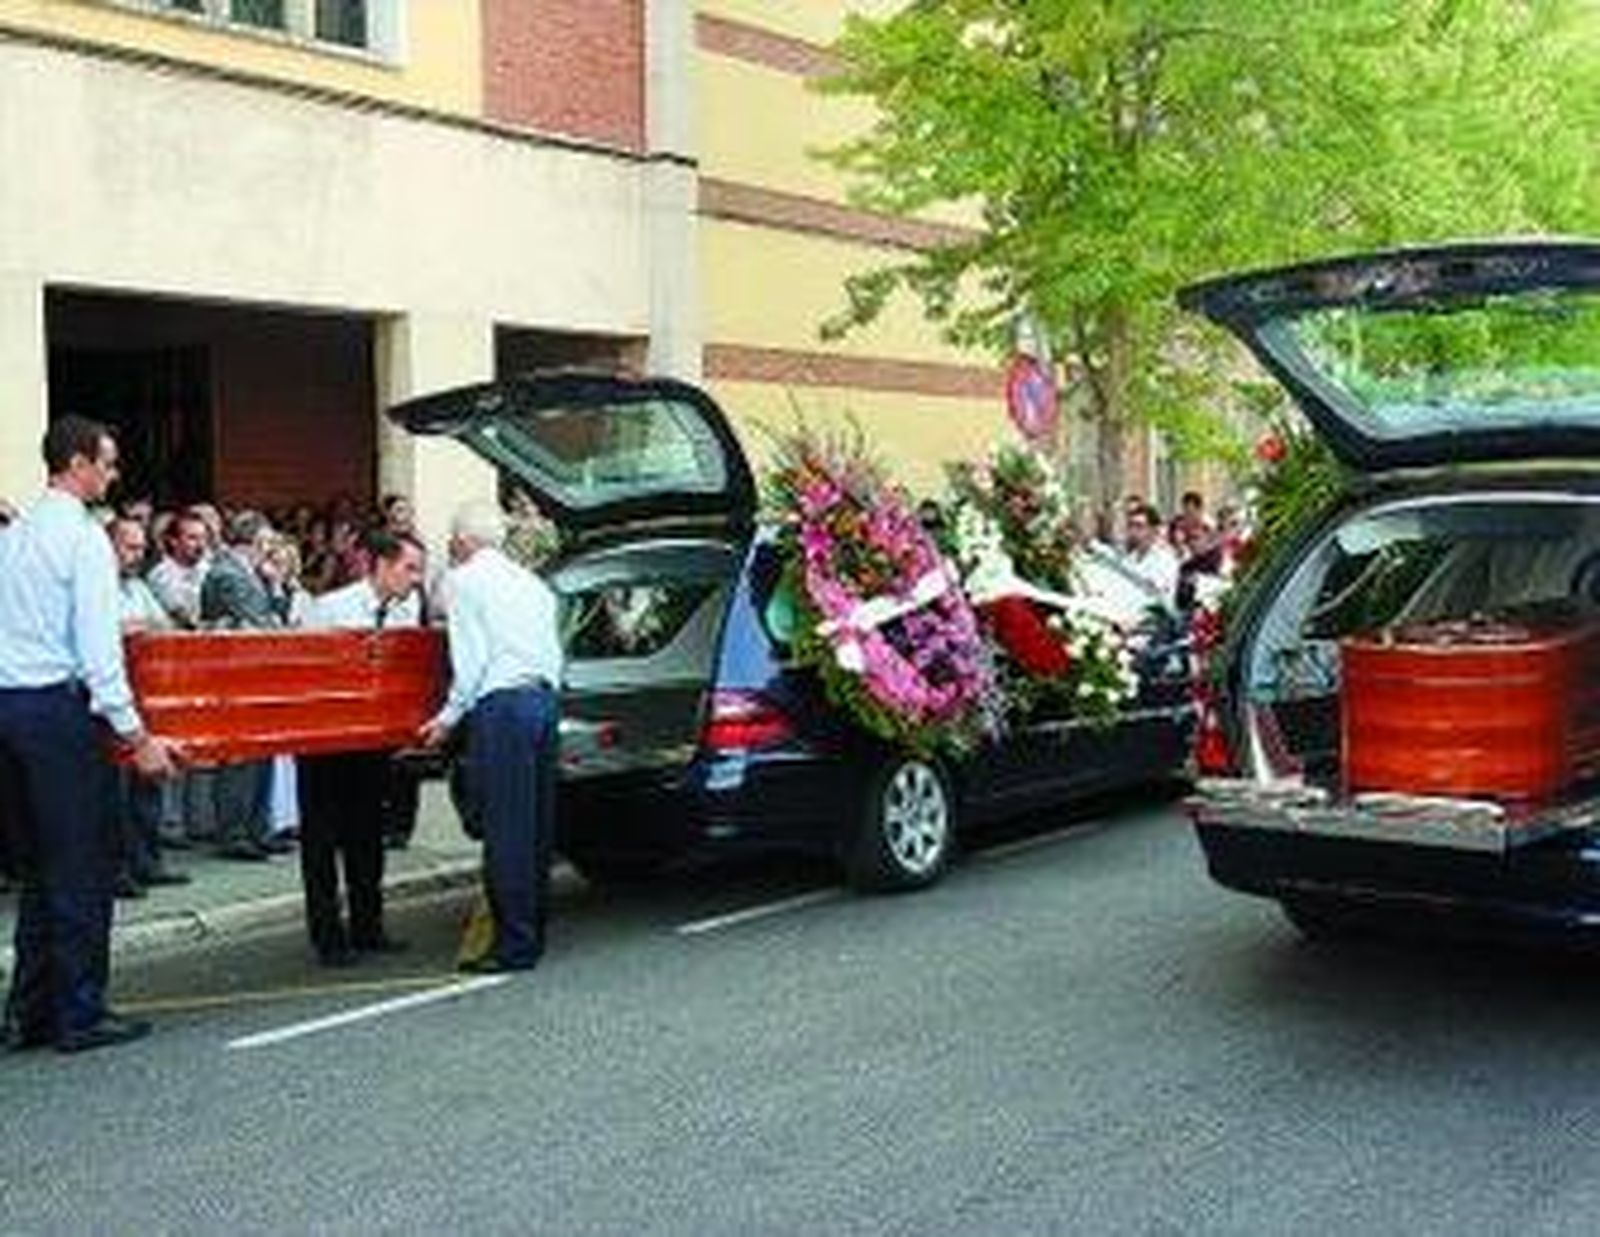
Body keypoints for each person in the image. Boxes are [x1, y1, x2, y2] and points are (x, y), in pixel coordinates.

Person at [0, 415, 178, 1053]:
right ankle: (79, 1012)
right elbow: (99, 657)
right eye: (107, 462)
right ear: (77, 463)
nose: (113, 472)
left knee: (41, 872)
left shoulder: (15, 536)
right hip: (59, 713)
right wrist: (138, 737)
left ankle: (29, 1011)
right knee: (80, 866)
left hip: (10, 709)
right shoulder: (82, 542)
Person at [420, 500, 563, 974]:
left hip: (502, 704)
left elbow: (471, 658)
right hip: (543, 700)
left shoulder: (464, 581)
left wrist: (447, 717)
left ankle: (513, 945)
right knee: (535, 825)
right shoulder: (533, 583)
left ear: (462, 541)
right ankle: (532, 931)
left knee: (506, 830)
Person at [297, 529, 427, 966]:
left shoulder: (406, 610)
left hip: (372, 741)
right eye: (409, 568)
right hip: (325, 741)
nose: (416, 579)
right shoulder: (331, 608)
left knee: (367, 836)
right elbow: (308, 671)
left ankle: (368, 927)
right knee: (322, 840)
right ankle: (328, 937)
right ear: (381, 565)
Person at [107, 517, 190, 897]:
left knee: (148, 788)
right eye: (129, 547)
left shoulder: (138, 586)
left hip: (146, 698)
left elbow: (163, 627)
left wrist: (140, 626)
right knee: (117, 794)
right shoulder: (97, 586)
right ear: (110, 546)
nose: (136, 556)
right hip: (110, 703)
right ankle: (117, 869)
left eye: (141, 548)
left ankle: (147, 862)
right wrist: (134, 627)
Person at [200, 509, 282, 861]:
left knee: (261, 754)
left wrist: (276, 586)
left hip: (255, 674)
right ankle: (234, 832)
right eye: (268, 541)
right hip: (233, 675)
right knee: (239, 757)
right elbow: (262, 622)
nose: (272, 549)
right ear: (254, 540)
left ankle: (256, 827)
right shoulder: (228, 573)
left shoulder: (251, 572)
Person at [1123, 502, 1180, 606]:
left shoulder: (1165, 559)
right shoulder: (1128, 559)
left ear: (1152, 530)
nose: (1133, 531)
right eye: (1130, 525)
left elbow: (1153, 592)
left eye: (1139, 526)